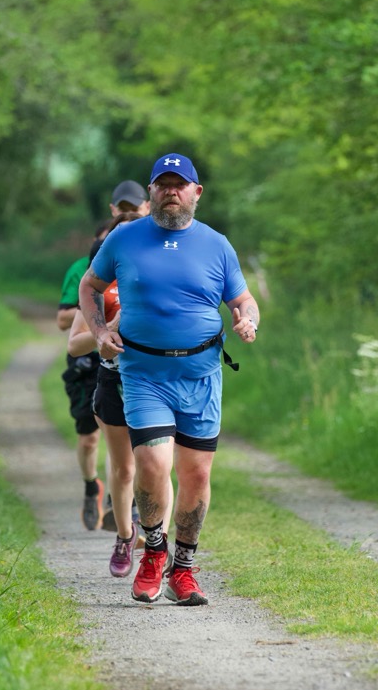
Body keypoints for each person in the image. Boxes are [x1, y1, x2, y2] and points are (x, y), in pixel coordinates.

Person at [79, 153, 259, 606]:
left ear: (197, 192)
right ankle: (154, 552)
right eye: (163, 184)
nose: (171, 191)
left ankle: (183, 569)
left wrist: (247, 319)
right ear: (152, 191)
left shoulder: (217, 244)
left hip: (200, 375)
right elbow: (89, 287)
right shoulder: (124, 238)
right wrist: (100, 333)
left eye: (180, 184)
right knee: (153, 465)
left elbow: (243, 299)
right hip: (144, 374)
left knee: (196, 474)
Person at [67, 211, 174, 577]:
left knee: (159, 465)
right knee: (124, 467)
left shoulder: (163, 272)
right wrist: (105, 331)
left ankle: (159, 542)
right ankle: (125, 536)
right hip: (114, 380)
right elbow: (75, 344)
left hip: (160, 381)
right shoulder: (99, 282)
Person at [58, 221, 112, 530]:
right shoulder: (82, 269)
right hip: (86, 364)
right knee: (89, 438)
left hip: (123, 366)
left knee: (120, 437)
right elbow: (62, 320)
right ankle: (92, 487)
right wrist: (93, 311)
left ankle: (121, 501)